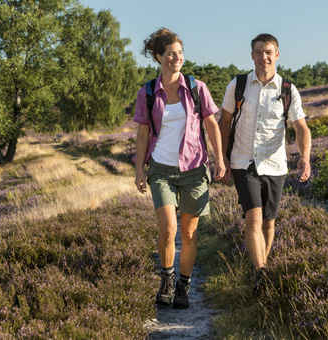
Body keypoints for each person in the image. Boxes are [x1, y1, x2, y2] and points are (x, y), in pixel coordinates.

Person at [133, 28, 225, 309]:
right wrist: (139, 170)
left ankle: (184, 286)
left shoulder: (197, 88)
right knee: (168, 229)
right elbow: (143, 134)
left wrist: (219, 158)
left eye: (180, 52)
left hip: (194, 169)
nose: (177, 57)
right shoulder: (148, 92)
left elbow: (211, 124)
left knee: (188, 233)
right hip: (161, 168)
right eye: (171, 53)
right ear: (159, 56)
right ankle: (167, 280)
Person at [219, 33, 311, 296]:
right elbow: (224, 122)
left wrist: (304, 157)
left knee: (269, 222)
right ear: (252, 56)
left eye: (268, 52)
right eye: (258, 52)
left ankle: (262, 269)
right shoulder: (237, 85)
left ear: (277, 54)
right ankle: (261, 272)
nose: (264, 57)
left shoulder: (287, 90)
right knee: (254, 217)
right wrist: (222, 158)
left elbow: (301, 127)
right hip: (242, 161)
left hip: (275, 164)